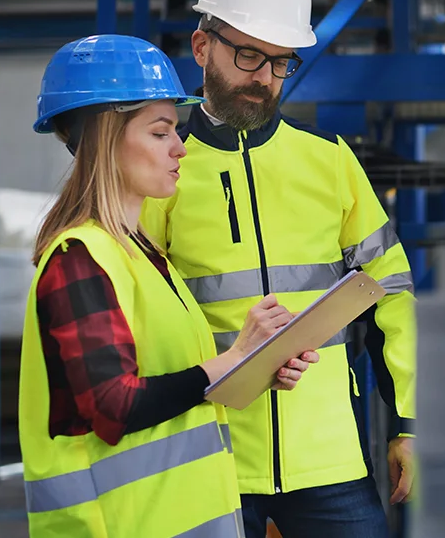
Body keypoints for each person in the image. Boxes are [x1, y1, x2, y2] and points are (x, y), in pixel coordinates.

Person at [140, 0, 418, 538]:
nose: (263, 78)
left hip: (329, 460)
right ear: (200, 47)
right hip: (211, 457)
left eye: (280, 62)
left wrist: (409, 423)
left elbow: (392, 296)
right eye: (247, 55)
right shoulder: (163, 175)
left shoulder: (332, 166)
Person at [18, 33, 319, 537]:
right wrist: (225, 364)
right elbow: (115, 406)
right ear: (105, 140)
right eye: (161, 133)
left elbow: (179, 386)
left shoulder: (144, 254)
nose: (180, 148)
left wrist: (250, 366)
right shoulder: (80, 260)